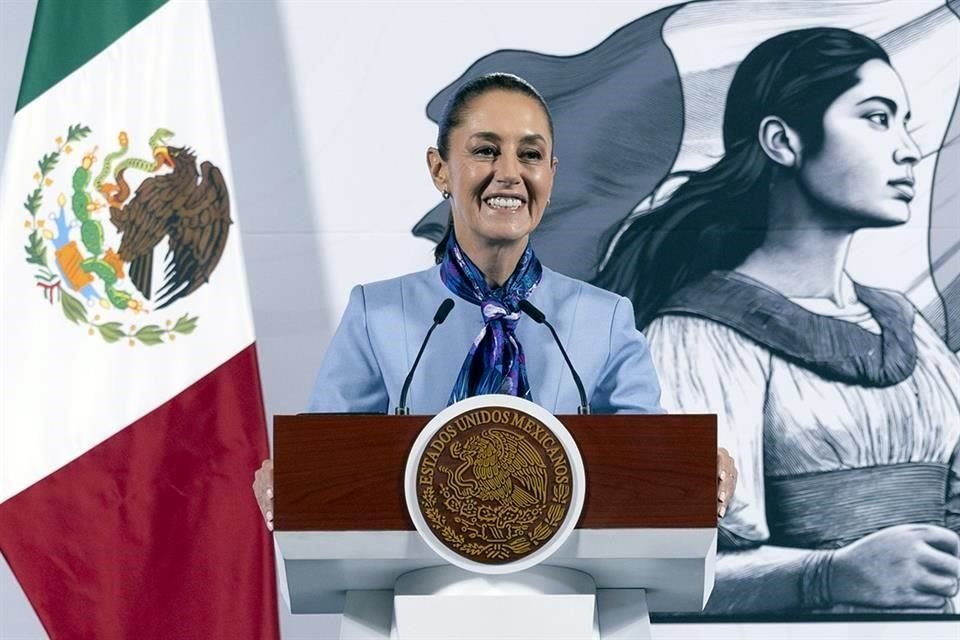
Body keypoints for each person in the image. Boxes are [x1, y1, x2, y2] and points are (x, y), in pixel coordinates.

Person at [254, 72, 737, 530]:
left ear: (551, 174)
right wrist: (289, 477)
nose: (509, 174)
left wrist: (693, 468)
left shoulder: (606, 319)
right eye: (486, 150)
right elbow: (325, 466)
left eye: (530, 155)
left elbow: (649, 471)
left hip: (564, 598)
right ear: (440, 169)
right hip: (417, 598)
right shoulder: (375, 314)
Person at [595, 28, 960, 614]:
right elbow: (657, 571)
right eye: (876, 117)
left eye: (905, 120)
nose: (909, 149)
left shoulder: (909, 327)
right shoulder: (696, 336)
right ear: (781, 141)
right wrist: (827, 575)